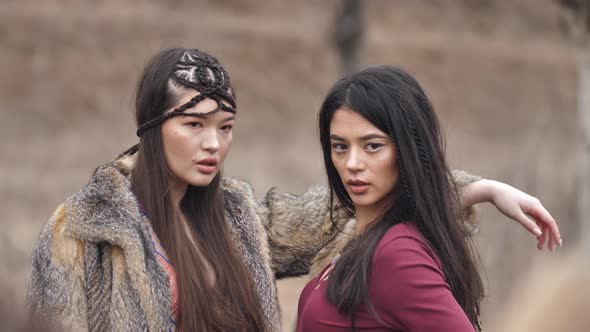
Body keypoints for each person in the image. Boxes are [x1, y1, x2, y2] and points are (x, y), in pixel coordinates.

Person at [26, 48, 560, 332]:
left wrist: (481, 188)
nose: (213, 143)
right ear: (149, 126)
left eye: (226, 126)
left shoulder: (237, 220)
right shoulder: (83, 233)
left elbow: (347, 210)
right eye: (193, 124)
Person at [297, 66, 560, 331]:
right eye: (340, 146)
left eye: (372, 146)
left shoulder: (395, 254)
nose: (352, 163)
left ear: (407, 149)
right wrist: (488, 190)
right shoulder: (367, 242)